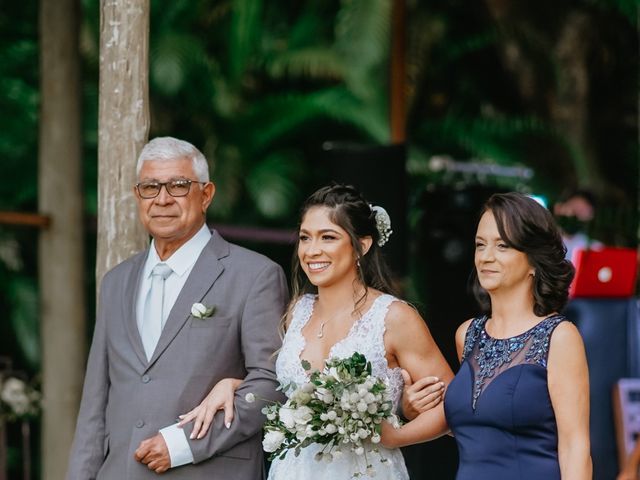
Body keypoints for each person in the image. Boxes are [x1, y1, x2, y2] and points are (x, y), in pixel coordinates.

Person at [180, 184, 453, 479]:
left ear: (362, 245)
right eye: (305, 238)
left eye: (328, 237)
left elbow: (454, 407)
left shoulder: (393, 316)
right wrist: (234, 385)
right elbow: (286, 390)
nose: (312, 251)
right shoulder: (297, 311)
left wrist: (395, 436)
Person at [66, 137, 288, 479]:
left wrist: (183, 444)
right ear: (138, 196)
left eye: (179, 186)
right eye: (150, 187)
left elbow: (273, 383)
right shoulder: (116, 282)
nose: (163, 199)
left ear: (207, 194)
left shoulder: (255, 275)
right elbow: (95, 404)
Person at [383, 192, 592, 479]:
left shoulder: (559, 336)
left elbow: (575, 447)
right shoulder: (467, 334)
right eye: (480, 245)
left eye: (502, 246)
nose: (486, 257)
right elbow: (477, 428)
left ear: (534, 260)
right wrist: (411, 410)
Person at [553, 189, 602, 261]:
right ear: (558, 208)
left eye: (582, 211)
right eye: (572, 207)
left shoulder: (595, 249)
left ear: (591, 216)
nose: (575, 214)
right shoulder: (542, 244)